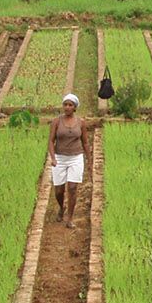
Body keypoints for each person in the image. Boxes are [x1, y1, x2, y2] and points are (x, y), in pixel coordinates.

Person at [48, 93, 92, 229]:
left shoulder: (81, 123)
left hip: (76, 157)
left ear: (75, 108)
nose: (67, 107)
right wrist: (53, 157)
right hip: (60, 158)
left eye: (70, 105)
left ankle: (70, 218)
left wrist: (89, 159)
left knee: (72, 188)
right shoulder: (56, 122)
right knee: (59, 190)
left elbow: (85, 142)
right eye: (65, 104)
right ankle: (62, 207)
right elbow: (50, 141)